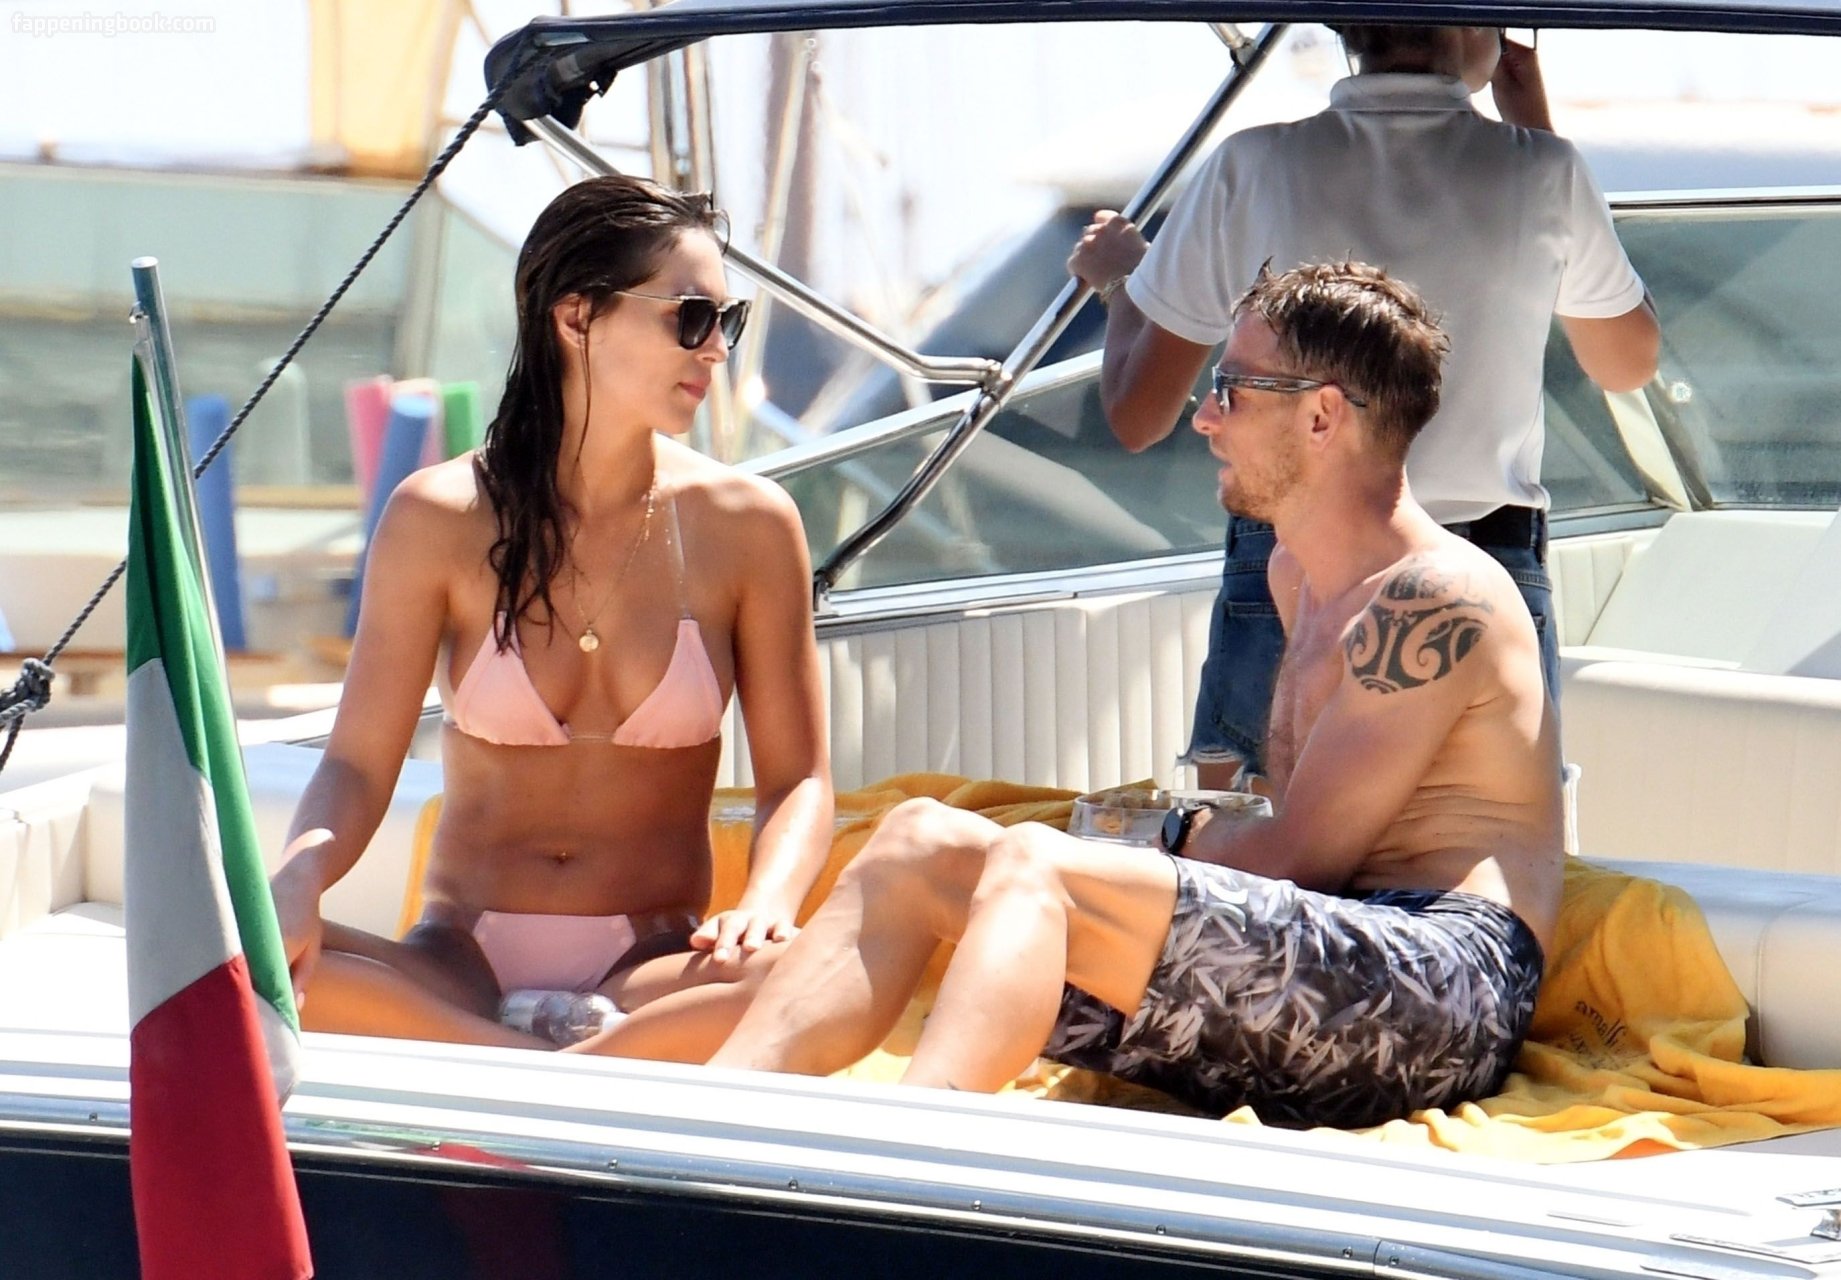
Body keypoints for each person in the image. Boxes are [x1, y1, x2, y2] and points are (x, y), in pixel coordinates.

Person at [711, 263, 1561, 1129]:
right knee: (918, 841)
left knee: (1032, 866)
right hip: (1325, 953)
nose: (1203, 418)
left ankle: (916, 1149)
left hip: (1443, 987)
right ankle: (711, 1122)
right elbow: (1285, 870)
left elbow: (1300, 859)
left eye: (1230, 390)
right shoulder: (1295, 574)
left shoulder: (1431, 598)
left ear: (1320, 416)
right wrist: (1134, 842)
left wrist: (1152, 835)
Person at [270, 175, 834, 1059]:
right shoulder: (438, 517)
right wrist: (298, 876)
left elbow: (797, 779)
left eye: (728, 320)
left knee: (808, 972)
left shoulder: (748, 525)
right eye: (691, 317)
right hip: (461, 958)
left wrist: (765, 905)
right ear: (577, 318)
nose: (716, 350)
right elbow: (356, 763)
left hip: (653, 961)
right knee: (239, 957)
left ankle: (498, 1061)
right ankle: (574, 1065)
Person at [1068, 25, 1659, 788]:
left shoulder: (1253, 164)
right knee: (1483, 827)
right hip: (1487, 562)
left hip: (1289, 562)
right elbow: (1625, 365)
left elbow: (1135, 415)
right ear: (1473, 25)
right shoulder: (1540, 168)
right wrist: (1534, 133)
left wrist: (1121, 280)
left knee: (1253, 838)